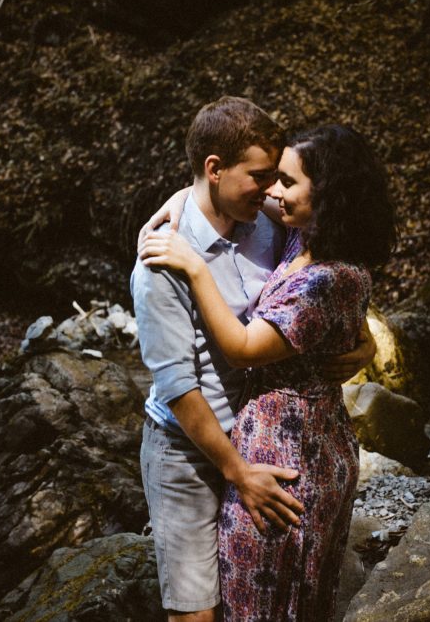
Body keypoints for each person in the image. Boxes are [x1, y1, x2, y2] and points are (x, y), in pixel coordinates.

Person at [131, 99, 375, 622]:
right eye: (262, 177)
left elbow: (333, 271)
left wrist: (364, 342)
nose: (271, 190)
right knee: (197, 613)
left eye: (278, 179)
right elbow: (179, 388)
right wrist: (237, 472)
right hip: (190, 453)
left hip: (262, 444)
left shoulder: (271, 222)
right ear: (215, 170)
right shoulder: (162, 263)